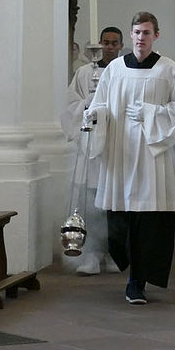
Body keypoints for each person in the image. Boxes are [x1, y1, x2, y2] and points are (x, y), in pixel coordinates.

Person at [85, 12, 175, 305]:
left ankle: (138, 280)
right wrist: (95, 115)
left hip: (152, 156)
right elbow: (101, 103)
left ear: (156, 35)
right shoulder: (115, 69)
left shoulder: (169, 70)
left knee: (150, 219)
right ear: (130, 35)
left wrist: (150, 113)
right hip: (121, 152)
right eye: (137, 32)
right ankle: (129, 269)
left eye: (146, 32)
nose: (141, 38)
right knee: (120, 218)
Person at [60, 27, 124, 275]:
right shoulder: (85, 73)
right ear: (99, 44)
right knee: (88, 205)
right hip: (89, 149)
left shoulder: (125, 71)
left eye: (114, 43)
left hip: (114, 147)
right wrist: (87, 103)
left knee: (112, 207)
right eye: (105, 42)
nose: (109, 46)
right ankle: (90, 255)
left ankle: (112, 254)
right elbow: (69, 105)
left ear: (120, 46)